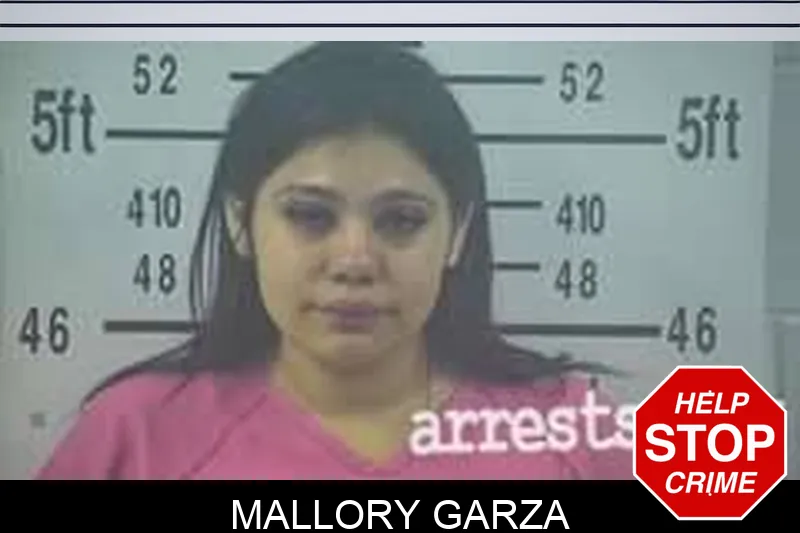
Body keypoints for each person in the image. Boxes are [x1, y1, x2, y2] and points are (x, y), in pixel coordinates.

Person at [36, 42, 633, 480]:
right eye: (310, 216)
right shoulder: (135, 437)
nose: (354, 261)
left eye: (401, 221)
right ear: (241, 224)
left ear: (457, 234)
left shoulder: (574, 432)